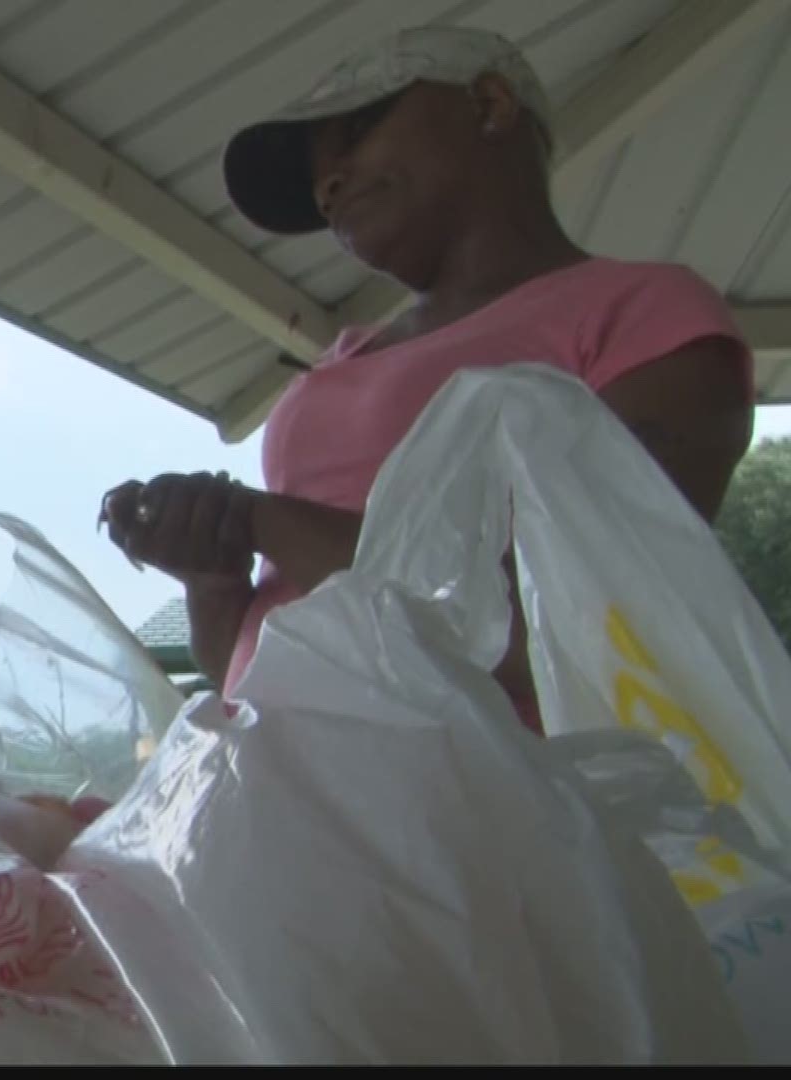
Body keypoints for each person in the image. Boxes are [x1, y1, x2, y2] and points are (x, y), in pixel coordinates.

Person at [102, 28, 754, 731]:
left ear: (490, 104)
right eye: (318, 178)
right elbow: (257, 649)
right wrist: (213, 576)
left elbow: (578, 624)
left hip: (489, 820)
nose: (328, 185)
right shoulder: (336, 365)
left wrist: (264, 519)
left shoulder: (644, 313)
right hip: (268, 800)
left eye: (356, 133)